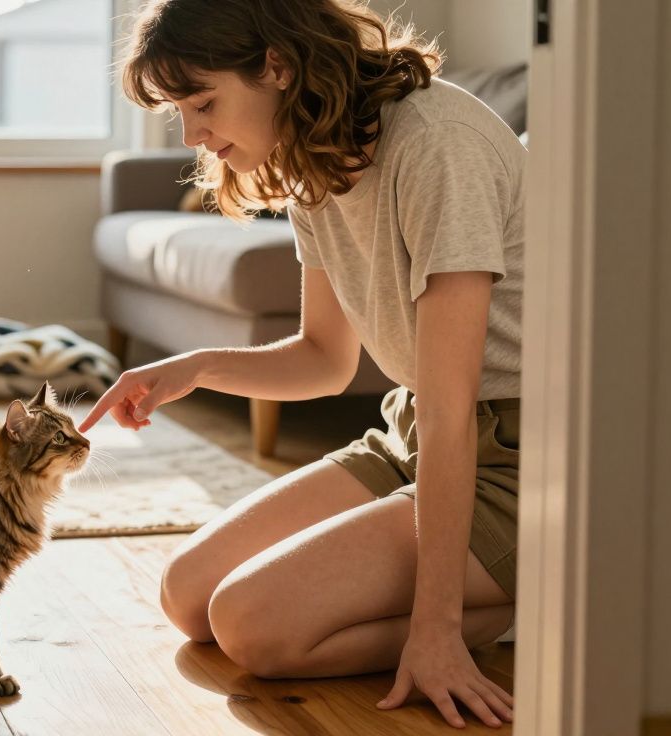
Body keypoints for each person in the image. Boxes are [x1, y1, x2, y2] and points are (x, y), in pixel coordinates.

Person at [79, 0, 524, 729]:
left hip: (516, 457)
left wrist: (436, 629)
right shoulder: (316, 156)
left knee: (256, 625)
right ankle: (466, 597)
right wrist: (190, 368)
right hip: (415, 432)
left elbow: (454, 405)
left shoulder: (437, 143)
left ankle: (523, 605)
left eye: (202, 102)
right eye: (178, 112)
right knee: (189, 594)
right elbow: (324, 358)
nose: (192, 134)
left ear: (276, 67)